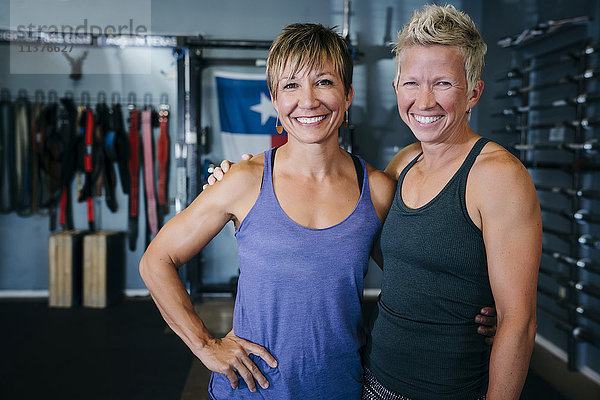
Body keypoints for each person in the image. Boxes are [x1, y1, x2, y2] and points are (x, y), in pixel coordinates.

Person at [142, 22, 496, 400]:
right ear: (276, 101)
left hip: (341, 389)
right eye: (291, 85)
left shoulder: (376, 189)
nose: (307, 100)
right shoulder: (243, 180)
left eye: (324, 82)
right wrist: (205, 345)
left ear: (347, 96)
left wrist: (475, 309)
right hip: (248, 392)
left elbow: (411, 270)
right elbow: (156, 260)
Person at [208, 5, 540, 400]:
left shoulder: (499, 176)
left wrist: (494, 311)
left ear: (473, 93)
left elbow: (518, 321)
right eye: (412, 83)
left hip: (451, 388)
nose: (425, 100)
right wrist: (241, 181)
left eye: (444, 83)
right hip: (373, 382)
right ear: (397, 88)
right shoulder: (401, 166)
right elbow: (400, 262)